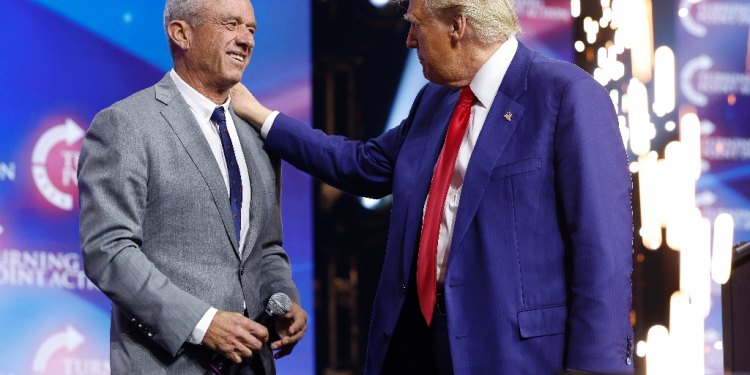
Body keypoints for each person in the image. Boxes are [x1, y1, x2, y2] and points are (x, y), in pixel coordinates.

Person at [232, 0, 634, 373]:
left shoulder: (566, 95)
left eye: (416, 25)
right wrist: (262, 117)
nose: (409, 40)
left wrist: (593, 368)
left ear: (457, 25)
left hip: (512, 353)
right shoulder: (433, 101)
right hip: (414, 343)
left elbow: (603, 250)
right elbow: (363, 166)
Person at [77, 0, 307, 373]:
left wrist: (282, 300)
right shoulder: (127, 125)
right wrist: (202, 324)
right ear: (181, 33)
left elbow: (265, 249)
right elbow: (109, 251)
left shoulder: (258, 135)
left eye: (251, 29)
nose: (245, 40)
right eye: (231, 24)